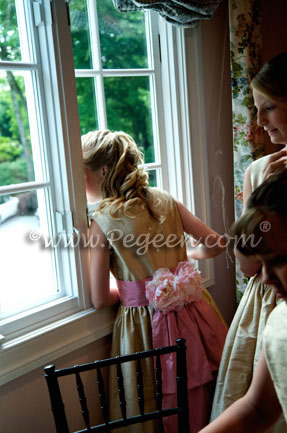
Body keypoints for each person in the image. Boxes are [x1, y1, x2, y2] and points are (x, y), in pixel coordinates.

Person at [82, 129, 228, 433]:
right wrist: (183, 259)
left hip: (145, 326)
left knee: (151, 399)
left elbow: (99, 299)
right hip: (195, 313)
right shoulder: (164, 200)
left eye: (81, 172)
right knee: (207, 388)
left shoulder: (101, 221)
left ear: (103, 171)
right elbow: (216, 243)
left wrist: (137, 291)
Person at [210, 52, 287, 433]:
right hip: (266, 307)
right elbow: (247, 265)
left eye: (269, 107)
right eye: (255, 110)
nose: (259, 122)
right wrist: (258, 197)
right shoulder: (256, 170)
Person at [200, 169, 287, 433]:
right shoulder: (281, 324)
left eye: (279, 260)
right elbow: (257, 409)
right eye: (262, 263)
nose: (266, 277)